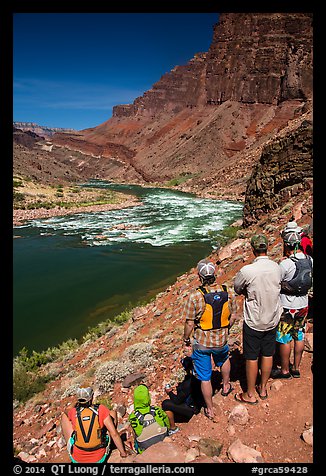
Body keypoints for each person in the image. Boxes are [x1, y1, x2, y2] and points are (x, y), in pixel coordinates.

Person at [182, 259, 237, 421]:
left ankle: (210, 409)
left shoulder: (195, 296)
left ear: (199, 275)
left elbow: (189, 322)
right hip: (221, 339)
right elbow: (233, 315)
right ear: (214, 274)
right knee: (224, 359)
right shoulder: (228, 291)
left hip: (202, 342)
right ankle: (226, 385)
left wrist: (186, 338)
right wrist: (226, 329)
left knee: (205, 377)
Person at [234, 234, 283, 404]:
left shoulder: (248, 270)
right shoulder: (277, 267)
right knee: (268, 353)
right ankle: (263, 388)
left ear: (253, 250)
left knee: (252, 356)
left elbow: (237, 288)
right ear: (267, 248)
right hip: (272, 318)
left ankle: (250, 393)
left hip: (254, 320)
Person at [271, 223, 313, 379]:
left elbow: (276, 280)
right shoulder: (309, 260)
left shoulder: (286, 263)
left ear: (287, 244)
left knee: (284, 337)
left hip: (288, 305)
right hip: (303, 304)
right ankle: (296, 368)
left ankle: (284, 370)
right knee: (299, 335)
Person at [61, 387, 129, 463]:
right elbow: (114, 434)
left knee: (64, 416)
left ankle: (73, 446)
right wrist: (123, 453)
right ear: (92, 396)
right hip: (98, 458)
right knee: (112, 413)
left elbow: (66, 410)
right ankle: (111, 444)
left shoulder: (73, 412)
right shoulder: (100, 410)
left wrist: (77, 401)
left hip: (77, 459)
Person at [161, 356, 204, 432]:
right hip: (196, 404)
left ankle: (173, 428)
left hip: (191, 409)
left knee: (166, 404)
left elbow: (177, 401)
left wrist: (169, 392)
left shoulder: (188, 383)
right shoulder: (197, 376)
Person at [128, 384, 170, 454]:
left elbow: (136, 433)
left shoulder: (132, 416)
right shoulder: (157, 410)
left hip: (145, 445)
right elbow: (166, 422)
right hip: (162, 438)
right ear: (148, 397)